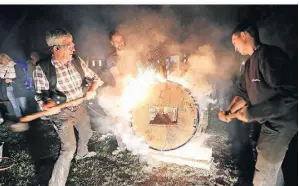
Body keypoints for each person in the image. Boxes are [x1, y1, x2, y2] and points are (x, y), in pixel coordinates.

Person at [218, 20, 297, 186]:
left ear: (245, 35)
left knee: (263, 179)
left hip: (281, 124)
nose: (234, 48)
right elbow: (243, 93)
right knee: (272, 172)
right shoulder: (249, 64)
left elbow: (292, 94)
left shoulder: (269, 57)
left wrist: (253, 113)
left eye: (234, 42)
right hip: (269, 124)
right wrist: (229, 111)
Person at [33, 28, 103, 186]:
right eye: (68, 44)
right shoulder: (43, 68)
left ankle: (82, 154)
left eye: (72, 42)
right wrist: (47, 104)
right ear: (56, 48)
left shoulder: (77, 60)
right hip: (61, 114)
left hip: (80, 107)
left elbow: (95, 79)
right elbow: (40, 95)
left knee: (87, 132)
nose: (73, 47)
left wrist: (92, 90)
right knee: (68, 149)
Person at [0, 53, 30, 120]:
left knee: (23, 106)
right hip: (8, 89)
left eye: (6, 59)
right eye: (3, 60)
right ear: (1, 61)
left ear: (8, 58)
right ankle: (20, 120)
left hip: (18, 88)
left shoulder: (16, 66)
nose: (5, 61)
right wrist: (4, 81)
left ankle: (29, 120)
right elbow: (1, 81)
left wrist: (12, 80)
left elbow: (23, 78)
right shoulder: (1, 70)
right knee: (15, 106)